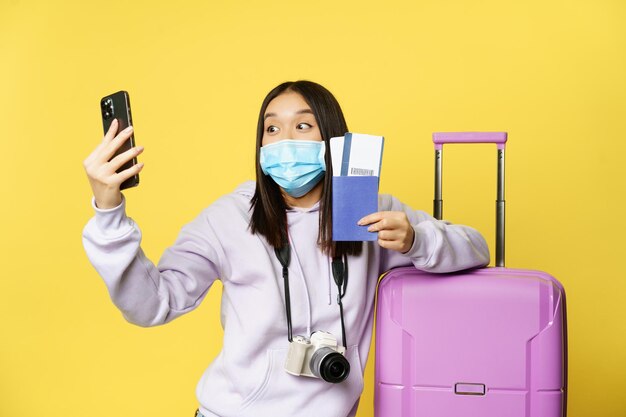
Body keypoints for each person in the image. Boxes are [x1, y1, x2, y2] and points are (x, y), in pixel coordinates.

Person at [82, 80, 490, 417]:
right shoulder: (228, 218)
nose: (284, 141)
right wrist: (108, 211)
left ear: (331, 138)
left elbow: (475, 247)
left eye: (303, 126)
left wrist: (418, 239)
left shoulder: (369, 211)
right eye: (272, 129)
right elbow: (151, 304)